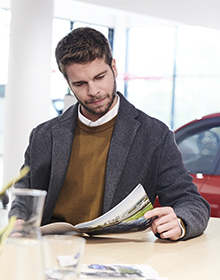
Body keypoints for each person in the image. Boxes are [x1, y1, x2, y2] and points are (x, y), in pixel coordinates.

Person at [9, 27, 210, 241]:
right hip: (52, 250)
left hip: (121, 253)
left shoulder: (154, 135)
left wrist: (180, 222)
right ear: (68, 83)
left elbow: (191, 202)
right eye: (80, 84)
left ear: (113, 67)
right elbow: (24, 197)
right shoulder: (44, 135)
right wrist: (19, 220)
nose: (93, 91)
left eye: (99, 77)